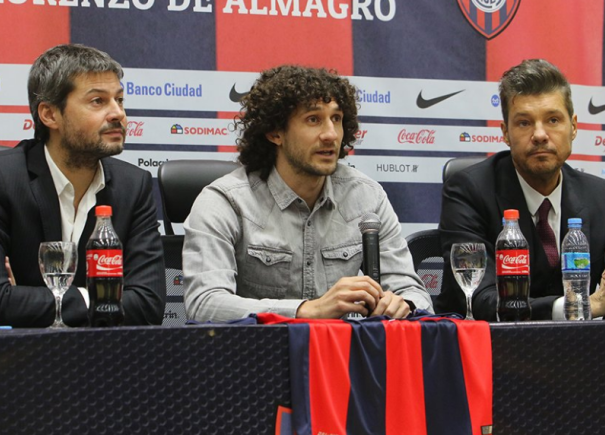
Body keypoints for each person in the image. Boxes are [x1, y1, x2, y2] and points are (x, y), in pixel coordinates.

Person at [183, 65, 432, 322]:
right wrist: (306, 310)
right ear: (275, 132)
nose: (330, 135)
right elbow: (205, 303)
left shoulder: (367, 197)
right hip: (256, 356)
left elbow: (414, 292)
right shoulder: (225, 201)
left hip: (340, 356)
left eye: (336, 119)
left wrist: (404, 304)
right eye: (313, 119)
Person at [0, 44, 165, 327]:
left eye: (119, 100)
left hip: (106, 361)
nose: (118, 114)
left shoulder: (134, 185)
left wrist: (30, 299)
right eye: (98, 101)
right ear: (49, 115)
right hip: (14, 361)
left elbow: (148, 304)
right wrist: (102, 301)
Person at [436, 59, 605, 321]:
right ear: (505, 133)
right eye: (524, 123)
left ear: (573, 127)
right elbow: (480, 300)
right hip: (488, 352)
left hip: (580, 352)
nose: (539, 134)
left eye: (553, 120)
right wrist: (577, 306)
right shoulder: (468, 191)